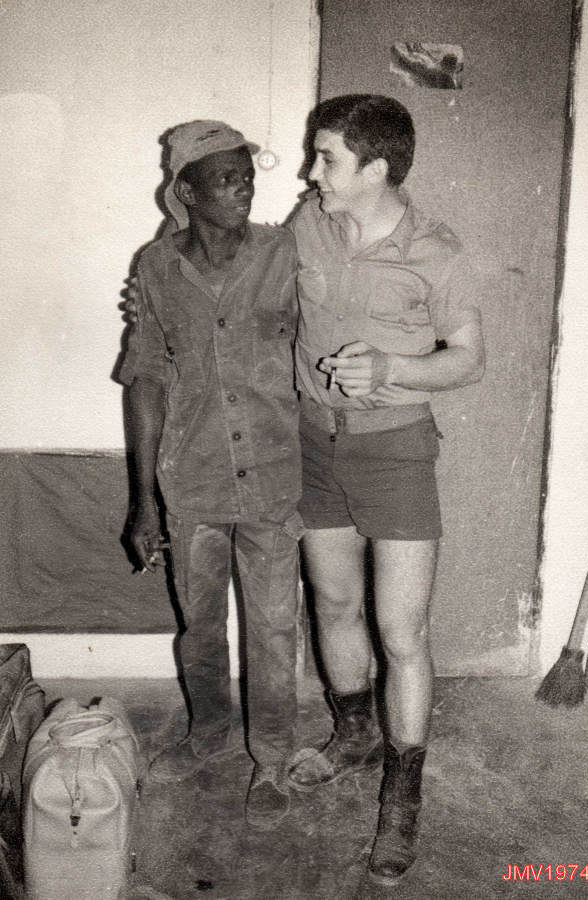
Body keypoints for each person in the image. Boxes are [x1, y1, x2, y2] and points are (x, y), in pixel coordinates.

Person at [286, 94, 485, 886]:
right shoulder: (308, 221)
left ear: (374, 168)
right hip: (311, 443)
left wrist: (393, 366)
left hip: (395, 447)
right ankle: (354, 734)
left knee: (401, 632)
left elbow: (467, 358)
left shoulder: (436, 249)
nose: (311, 171)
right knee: (333, 604)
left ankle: (402, 798)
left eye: (326, 158)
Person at [118, 120, 303, 831]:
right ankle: (209, 732)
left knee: (274, 629)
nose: (243, 188)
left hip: (273, 479)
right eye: (226, 178)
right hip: (192, 481)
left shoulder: (283, 252)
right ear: (186, 192)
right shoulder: (156, 267)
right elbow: (145, 379)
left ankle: (273, 758)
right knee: (200, 625)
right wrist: (142, 501)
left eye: (247, 176)